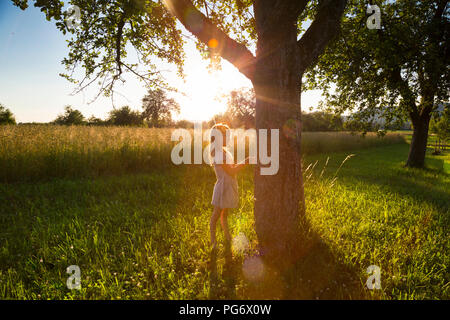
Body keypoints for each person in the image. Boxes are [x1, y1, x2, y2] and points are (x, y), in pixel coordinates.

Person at [209, 123, 248, 251]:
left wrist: (240, 164)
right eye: (226, 136)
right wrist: (245, 162)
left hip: (228, 185)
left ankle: (227, 237)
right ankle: (213, 241)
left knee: (225, 214)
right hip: (223, 187)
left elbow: (230, 167)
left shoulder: (224, 152)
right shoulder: (218, 153)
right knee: (216, 215)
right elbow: (231, 171)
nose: (228, 139)